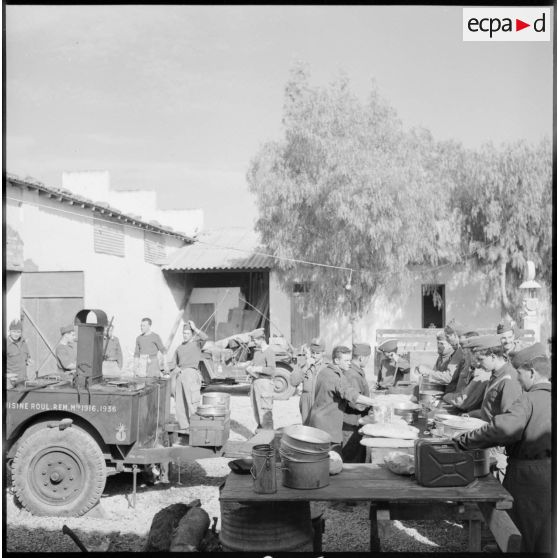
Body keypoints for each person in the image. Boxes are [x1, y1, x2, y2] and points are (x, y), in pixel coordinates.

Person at [453, 343, 551, 553]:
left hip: (528, 473)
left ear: (532, 373)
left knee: (521, 527)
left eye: (520, 373)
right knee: (547, 528)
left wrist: (465, 440)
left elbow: (502, 429)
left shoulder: (529, 400)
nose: (517, 378)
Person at [308, 346, 377, 456]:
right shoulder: (335, 377)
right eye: (346, 361)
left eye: (349, 360)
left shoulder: (324, 371)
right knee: (332, 462)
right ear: (336, 360)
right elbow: (353, 395)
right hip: (328, 427)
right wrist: (375, 403)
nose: (349, 363)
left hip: (317, 421)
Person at [466, 335, 522, 422]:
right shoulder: (495, 374)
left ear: (492, 356)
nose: (478, 364)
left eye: (481, 359)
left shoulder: (508, 380)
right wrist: (470, 414)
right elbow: (490, 411)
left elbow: (508, 420)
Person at [171, 320, 208, 434]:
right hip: (180, 375)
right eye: (184, 333)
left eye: (187, 333)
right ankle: (184, 427)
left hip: (191, 375)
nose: (185, 335)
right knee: (180, 403)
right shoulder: (179, 348)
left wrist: (195, 327)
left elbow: (205, 337)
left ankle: (196, 427)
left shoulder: (197, 344)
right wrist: (173, 370)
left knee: (192, 402)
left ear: (192, 334)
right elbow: (173, 363)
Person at [443, 333, 490, 413]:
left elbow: (463, 401)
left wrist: (446, 396)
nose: (463, 353)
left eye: (466, 350)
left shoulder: (482, 373)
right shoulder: (471, 368)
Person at [341, 342, 371, 463]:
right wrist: (370, 405)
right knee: (352, 459)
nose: (368, 361)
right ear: (361, 358)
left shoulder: (356, 371)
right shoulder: (353, 375)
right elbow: (355, 403)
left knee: (357, 455)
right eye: (368, 358)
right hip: (352, 422)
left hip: (354, 422)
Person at [289, 337, 326, 424]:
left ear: (323, 353)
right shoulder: (303, 364)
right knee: (307, 427)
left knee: (319, 427)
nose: (314, 355)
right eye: (313, 352)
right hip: (306, 400)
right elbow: (293, 381)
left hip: (320, 399)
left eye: (318, 353)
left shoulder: (327, 366)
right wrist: (305, 367)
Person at [246, 329, 276, 431]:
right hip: (256, 383)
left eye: (254, 340)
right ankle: (260, 435)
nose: (253, 342)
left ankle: (268, 438)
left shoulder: (269, 351)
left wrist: (258, 369)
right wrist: (249, 370)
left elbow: (272, 370)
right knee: (257, 410)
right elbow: (253, 364)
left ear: (261, 339)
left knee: (265, 414)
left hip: (265, 385)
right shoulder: (257, 352)